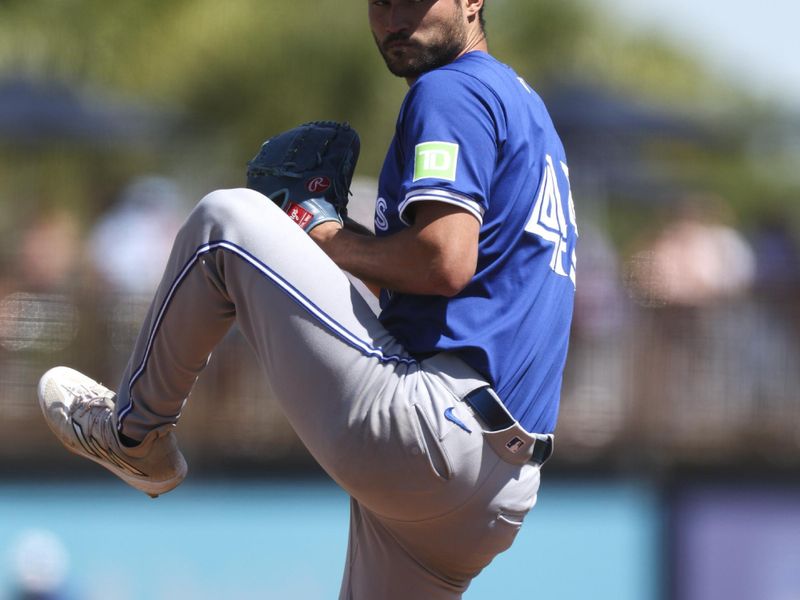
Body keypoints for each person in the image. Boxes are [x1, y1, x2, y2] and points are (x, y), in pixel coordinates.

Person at [38, 1, 578, 598]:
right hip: (497, 492)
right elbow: (444, 285)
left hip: (436, 435)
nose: (395, 17)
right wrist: (327, 247)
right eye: (380, 2)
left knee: (226, 222)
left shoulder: (450, 90)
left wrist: (322, 235)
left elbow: (442, 261)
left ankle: (134, 436)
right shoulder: (527, 110)